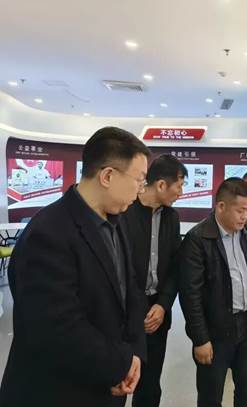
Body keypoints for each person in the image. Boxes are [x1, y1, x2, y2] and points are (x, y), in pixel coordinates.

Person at [0, 127, 150, 407]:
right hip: (58, 391)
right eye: (139, 180)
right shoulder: (48, 233)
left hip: (106, 384)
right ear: (108, 176)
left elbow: (131, 293)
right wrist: (119, 363)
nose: (141, 190)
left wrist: (135, 355)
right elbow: (56, 328)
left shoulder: (117, 222)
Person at [179, 177, 247, 407]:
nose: (245, 216)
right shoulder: (197, 239)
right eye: (240, 210)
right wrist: (200, 339)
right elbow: (190, 295)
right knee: (211, 397)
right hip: (216, 330)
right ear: (221, 206)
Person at [121, 154, 187, 407]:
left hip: (157, 313)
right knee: (119, 379)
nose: (181, 193)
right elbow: (120, 268)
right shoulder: (124, 212)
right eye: (179, 186)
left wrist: (163, 305)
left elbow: (175, 267)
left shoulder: (172, 217)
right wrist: (138, 308)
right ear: (161, 185)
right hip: (126, 311)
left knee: (150, 383)